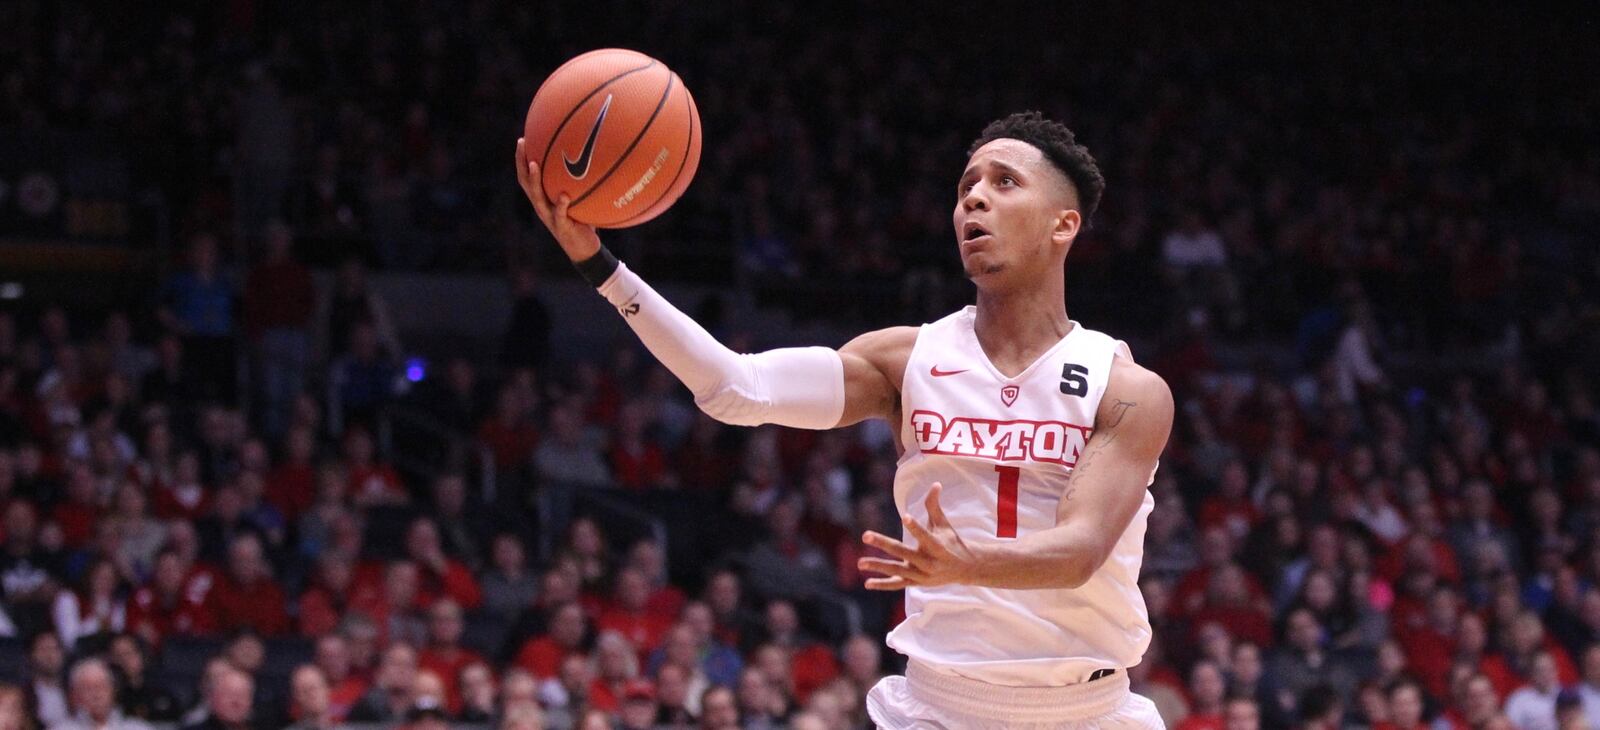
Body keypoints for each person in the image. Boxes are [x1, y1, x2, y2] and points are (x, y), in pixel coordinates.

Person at [515, 110, 1173, 729]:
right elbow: (733, 387)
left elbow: (1080, 550)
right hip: (939, 705)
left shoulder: (1125, 388)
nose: (974, 198)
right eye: (967, 184)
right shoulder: (906, 360)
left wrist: (968, 563)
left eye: (1004, 182)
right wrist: (596, 264)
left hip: (1089, 712)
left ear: (1063, 225)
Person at [52, 659, 153, 730]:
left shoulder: (138, 728)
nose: (97, 694)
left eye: (102, 686)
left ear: (113, 691)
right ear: (75, 695)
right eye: (88, 688)